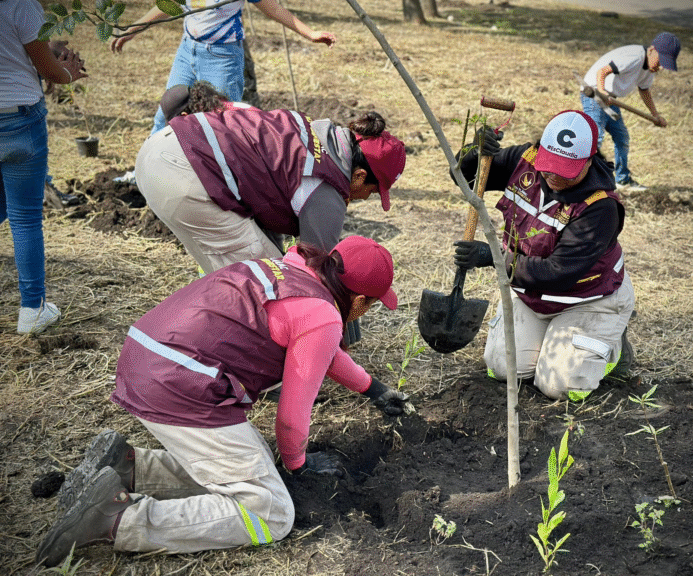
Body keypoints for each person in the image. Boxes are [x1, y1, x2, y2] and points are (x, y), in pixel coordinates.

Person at [36, 235, 410, 567]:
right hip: (180, 385)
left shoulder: (289, 268)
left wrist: (372, 389)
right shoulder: (323, 316)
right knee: (271, 512)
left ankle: (130, 469)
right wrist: (298, 464)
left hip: (148, 357)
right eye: (373, 305)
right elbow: (292, 420)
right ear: (360, 300)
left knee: (252, 465)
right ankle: (116, 520)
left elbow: (318, 348)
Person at [452, 110, 635, 401]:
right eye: (549, 166)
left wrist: (495, 258)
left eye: (566, 170)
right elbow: (467, 177)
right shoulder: (526, 159)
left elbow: (558, 272)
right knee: (503, 368)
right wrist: (475, 152)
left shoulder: (600, 208)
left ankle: (614, 348)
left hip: (586, 298)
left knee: (559, 386)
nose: (553, 177)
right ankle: (554, 338)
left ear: (588, 161)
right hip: (531, 293)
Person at [135, 106, 406, 275]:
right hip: (188, 175)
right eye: (371, 191)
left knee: (229, 278)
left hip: (160, 150)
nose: (363, 198)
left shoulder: (311, 131)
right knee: (272, 287)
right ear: (359, 176)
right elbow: (315, 275)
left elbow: (266, 198)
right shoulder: (327, 192)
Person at [110, 0, 336, 135]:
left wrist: (310, 33)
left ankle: (222, 187)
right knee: (166, 116)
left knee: (222, 126)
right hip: (187, 51)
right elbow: (171, 3)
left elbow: (273, 9)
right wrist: (134, 28)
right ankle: (151, 174)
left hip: (222, 58)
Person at [1, 0, 87, 334]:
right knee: (24, 217)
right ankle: (32, 309)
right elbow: (51, 72)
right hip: (19, 121)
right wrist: (69, 73)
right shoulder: (22, 5)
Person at [580, 32, 681, 192]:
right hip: (594, 92)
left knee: (622, 137)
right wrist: (602, 92)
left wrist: (655, 115)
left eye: (665, 64)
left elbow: (644, 90)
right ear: (652, 50)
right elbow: (602, 72)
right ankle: (583, 181)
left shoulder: (649, 68)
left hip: (610, 98)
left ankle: (622, 179)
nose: (661, 67)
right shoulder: (633, 57)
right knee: (595, 138)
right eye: (661, 61)